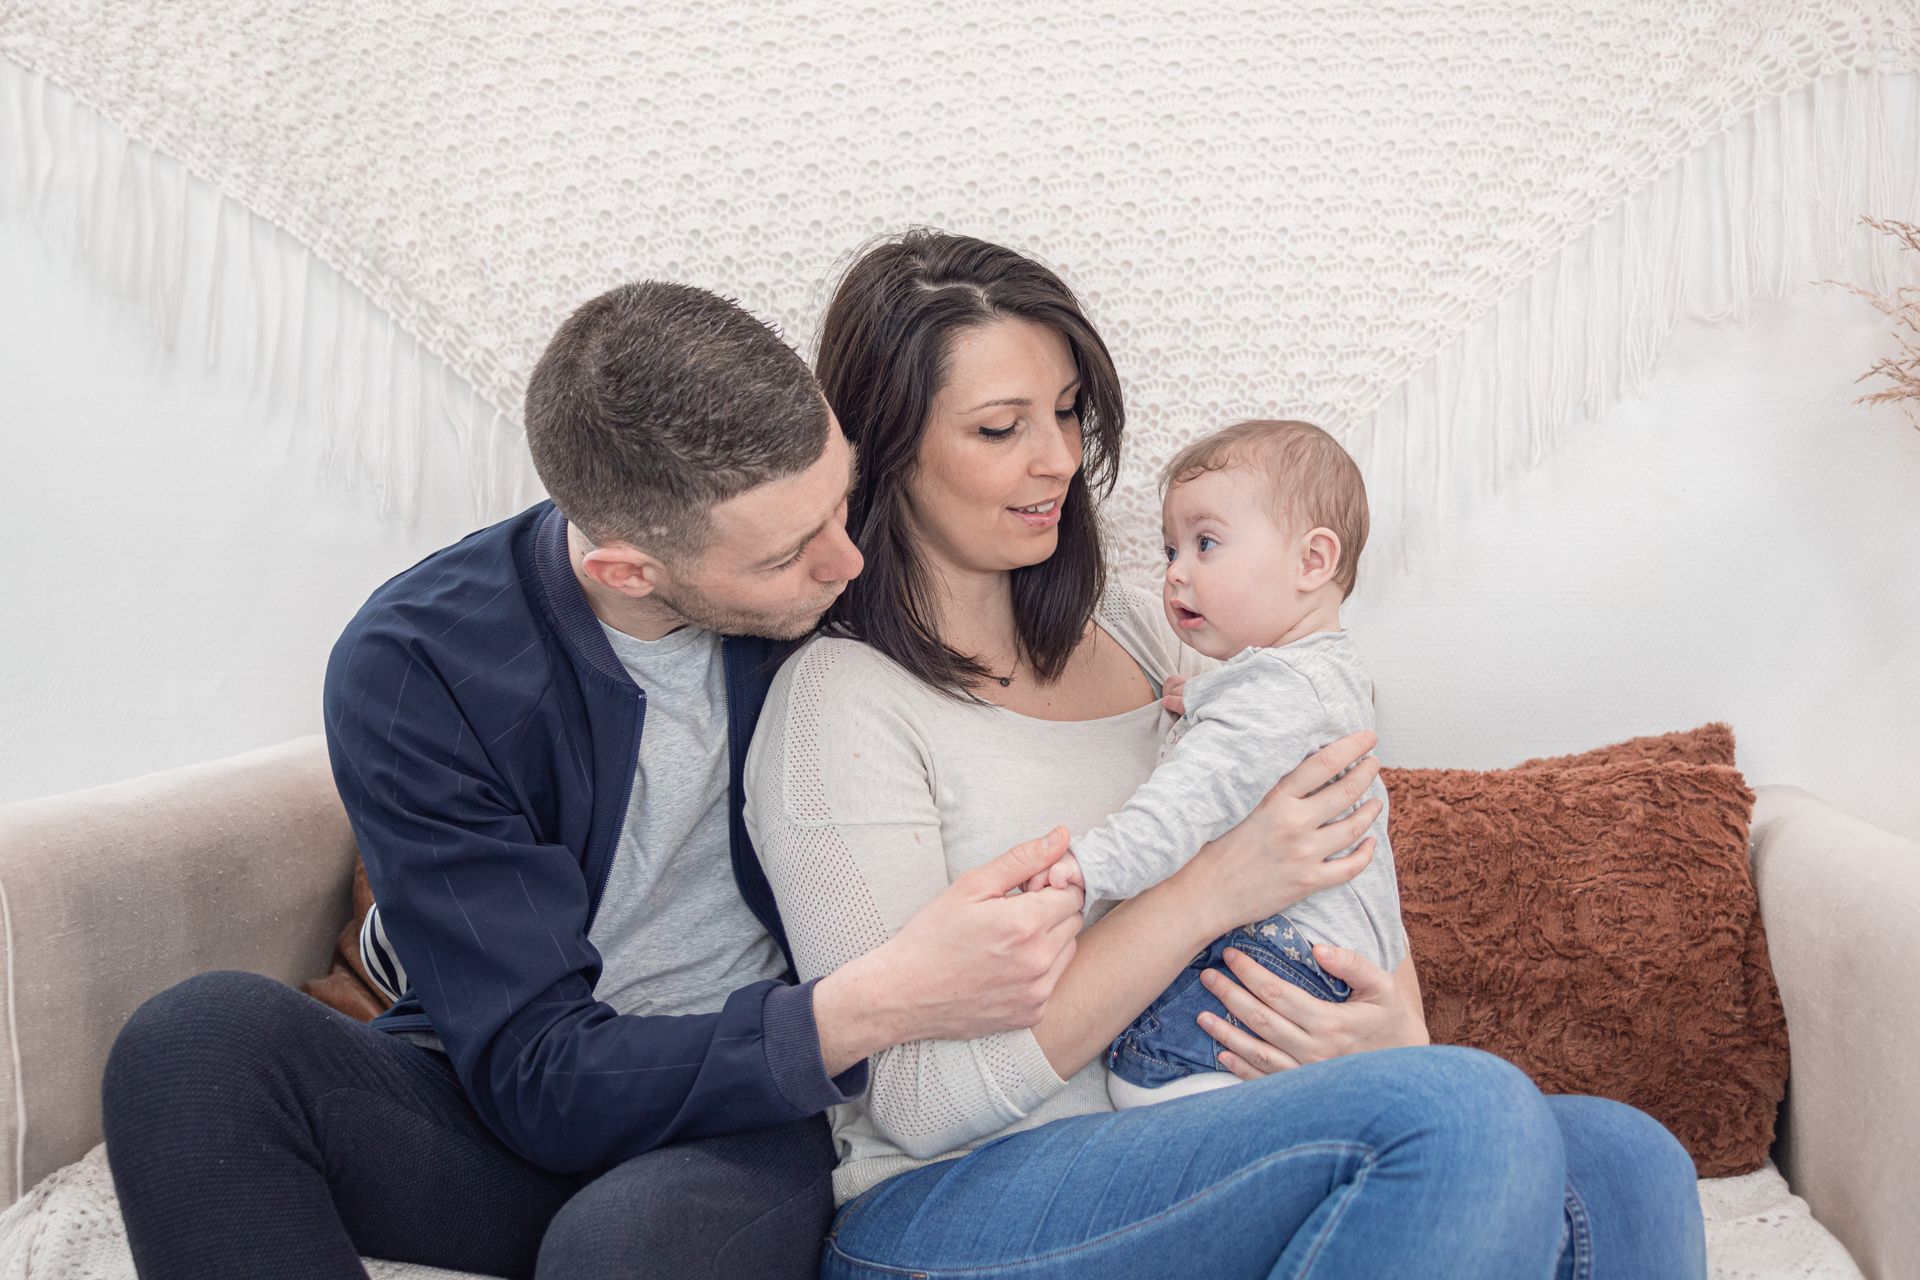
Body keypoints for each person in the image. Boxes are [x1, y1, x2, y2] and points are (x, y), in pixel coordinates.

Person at [745, 228, 1709, 1277]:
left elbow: (1339, 818)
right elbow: (919, 1101)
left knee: (1626, 1157)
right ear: (888, 446)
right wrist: (1208, 887)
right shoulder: (839, 701)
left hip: (1206, 1128)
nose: (1058, 458)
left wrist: (1394, 1030)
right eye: (998, 427)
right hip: (955, 1200)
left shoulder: (1158, 630)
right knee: (1461, 1114)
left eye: (1068, 412)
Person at [99, 281, 1093, 1279]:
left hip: (737, 1125)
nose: (845, 560)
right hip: (504, 1102)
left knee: (627, 1247)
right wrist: (875, 1000)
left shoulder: (847, 573)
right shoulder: (423, 662)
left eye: (841, 496)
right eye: (791, 552)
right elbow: (534, 1071)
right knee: (193, 1044)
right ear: (628, 570)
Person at [1029, 418, 1409, 1109]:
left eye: (1207, 544)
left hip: (1285, 963)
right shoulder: (1314, 679)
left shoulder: (1272, 696)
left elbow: (1185, 805)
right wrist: (1204, 698)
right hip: (1335, 965)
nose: (1176, 570)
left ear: (1312, 562)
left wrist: (1086, 869)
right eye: (1171, 547)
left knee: (1139, 1082)